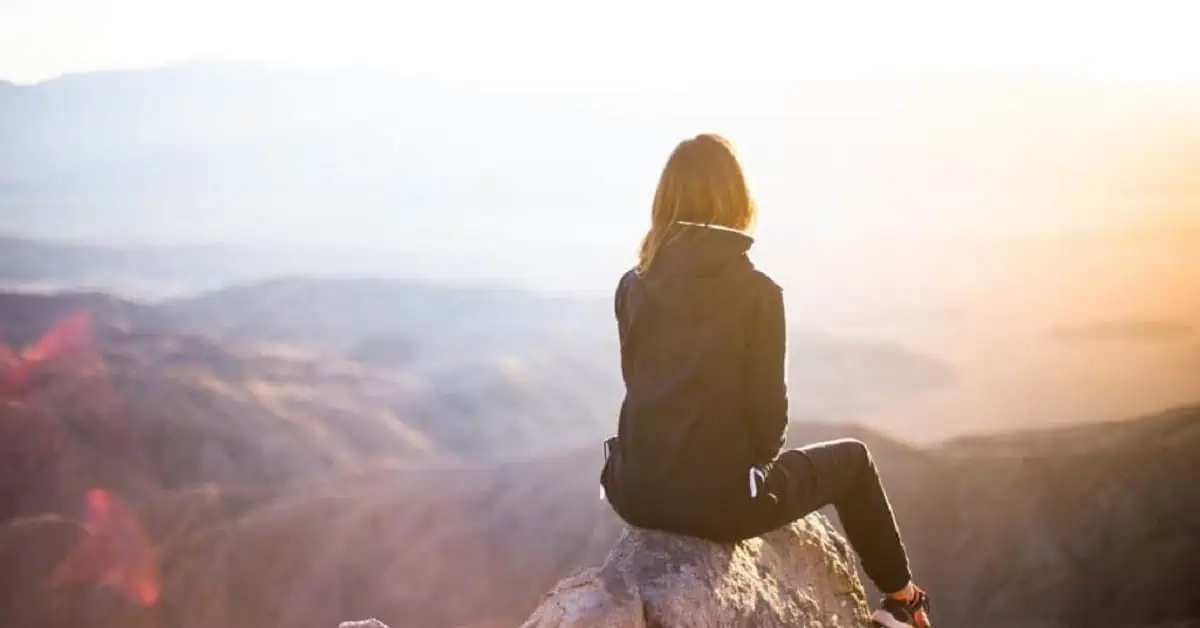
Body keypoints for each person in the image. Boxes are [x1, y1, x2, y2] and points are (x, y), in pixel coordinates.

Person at [599, 133, 932, 628]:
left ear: (664, 202)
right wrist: (743, 469)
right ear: (737, 201)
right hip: (721, 505)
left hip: (635, 492)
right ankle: (903, 603)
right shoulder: (757, 294)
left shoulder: (632, 284)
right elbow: (769, 426)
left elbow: (641, 383)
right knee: (855, 462)